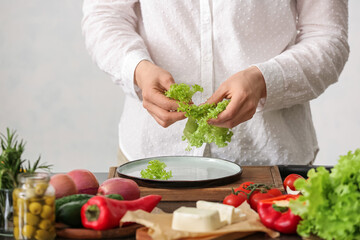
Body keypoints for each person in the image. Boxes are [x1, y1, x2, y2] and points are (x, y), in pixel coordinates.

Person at [82, 0, 349, 166]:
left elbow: (328, 38)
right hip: (151, 155)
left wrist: (264, 80)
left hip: (272, 161)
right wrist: (137, 69)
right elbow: (104, 15)